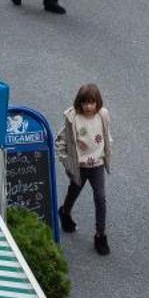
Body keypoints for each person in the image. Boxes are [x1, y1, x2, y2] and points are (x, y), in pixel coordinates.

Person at [56, 81, 113, 256]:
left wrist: (107, 147)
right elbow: (60, 142)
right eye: (85, 103)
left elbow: (106, 134)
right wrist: (67, 162)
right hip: (79, 166)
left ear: (98, 102)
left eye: (92, 102)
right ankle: (65, 211)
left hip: (97, 164)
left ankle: (100, 235)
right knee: (74, 190)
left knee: (100, 197)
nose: (89, 107)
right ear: (79, 102)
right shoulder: (73, 119)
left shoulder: (102, 115)